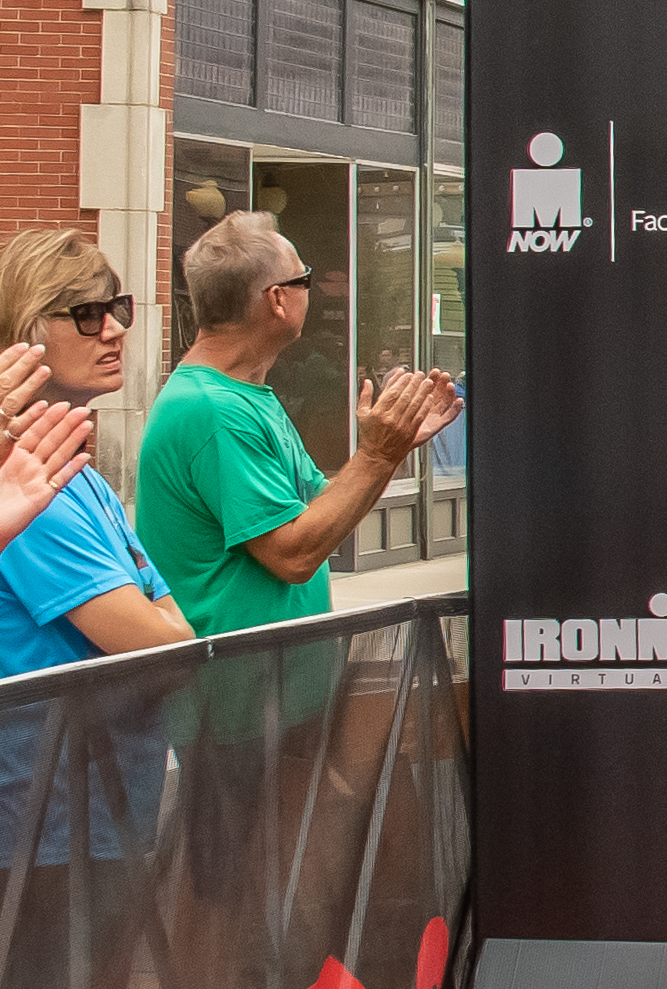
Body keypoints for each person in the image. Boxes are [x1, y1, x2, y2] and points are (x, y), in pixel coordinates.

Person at [137, 212, 459, 634]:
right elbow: (293, 555)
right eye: (303, 279)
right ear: (277, 299)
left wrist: (390, 449)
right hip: (237, 689)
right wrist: (377, 454)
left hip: (271, 683)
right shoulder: (213, 409)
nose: (310, 290)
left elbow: (319, 512)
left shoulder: (240, 396)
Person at [0, 234, 190, 669]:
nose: (116, 329)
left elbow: (174, 629)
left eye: (118, 309)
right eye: (88, 314)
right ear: (26, 330)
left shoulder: (77, 472)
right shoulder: (25, 490)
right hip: (55, 738)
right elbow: (165, 648)